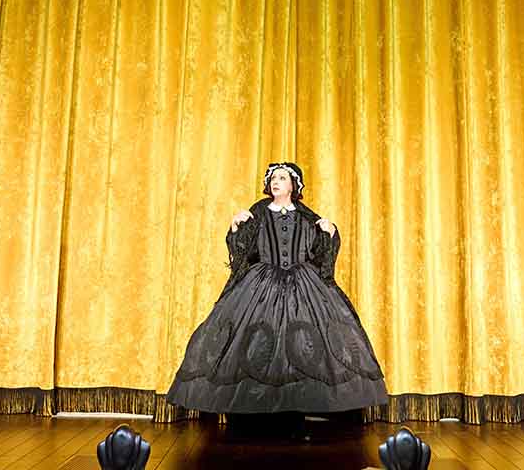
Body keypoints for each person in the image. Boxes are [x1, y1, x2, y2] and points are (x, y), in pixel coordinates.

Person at [166, 162, 388, 424]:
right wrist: (236, 227)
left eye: (282, 178)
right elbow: (243, 254)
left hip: (304, 285)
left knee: (303, 343)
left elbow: (320, 254)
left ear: (294, 186)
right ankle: (254, 415)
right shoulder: (257, 213)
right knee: (256, 343)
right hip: (261, 285)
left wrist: (329, 233)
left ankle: (298, 409)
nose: (276, 181)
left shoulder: (307, 217)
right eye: (273, 177)